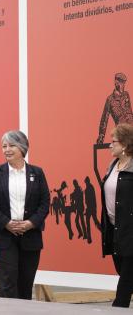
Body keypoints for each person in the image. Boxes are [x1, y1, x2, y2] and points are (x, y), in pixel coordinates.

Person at [0, 130, 50, 299]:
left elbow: (44, 203)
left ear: (22, 148)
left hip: (30, 235)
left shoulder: (37, 172)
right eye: (4, 146)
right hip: (3, 234)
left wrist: (30, 224)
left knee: (26, 282)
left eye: (11, 145)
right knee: (8, 281)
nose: (7, 149)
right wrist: (7, 223)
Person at [100, 123, 133, 307]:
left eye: (114, 142)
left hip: (130, 230)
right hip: (114, 229)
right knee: (122, 270)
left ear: (126, 145)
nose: (110, 145)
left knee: (126, 279)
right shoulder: (113, 165)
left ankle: (118, 307)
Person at [97, 73, 133, 144]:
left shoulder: (126, 95)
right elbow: (104, 119)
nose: (123, 85)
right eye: (121, 82)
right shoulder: (110, 100)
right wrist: (101, 135)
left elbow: (130, 112)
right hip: (122, 132)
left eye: (124, 83)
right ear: (116, 82)